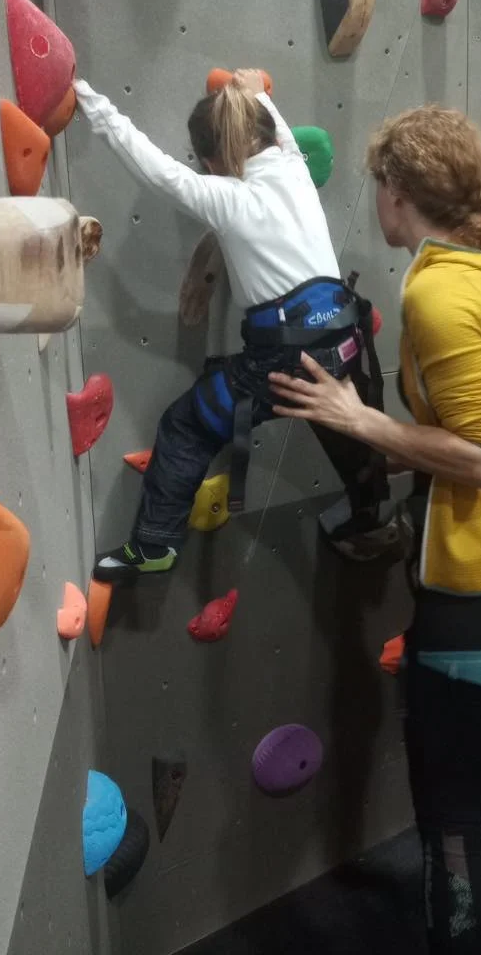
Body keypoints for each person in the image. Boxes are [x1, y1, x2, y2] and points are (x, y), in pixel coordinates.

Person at [269, 103, 481, 955]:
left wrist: (361, 422)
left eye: (376, 185)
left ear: (396, 190)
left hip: (477, 589)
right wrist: (395, 444)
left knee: (449, 820)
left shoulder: (437, 291)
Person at [73, 69, 399, 579]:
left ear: (212, 160)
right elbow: (277, 127)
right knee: (351, 433)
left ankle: (154, 545)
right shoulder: (293, 165)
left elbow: (154, 168)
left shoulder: (227, 198)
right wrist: (254, 95)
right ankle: (369, 518)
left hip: (285, 362)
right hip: (346, 340)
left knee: (186, 425)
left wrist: (88, 98)